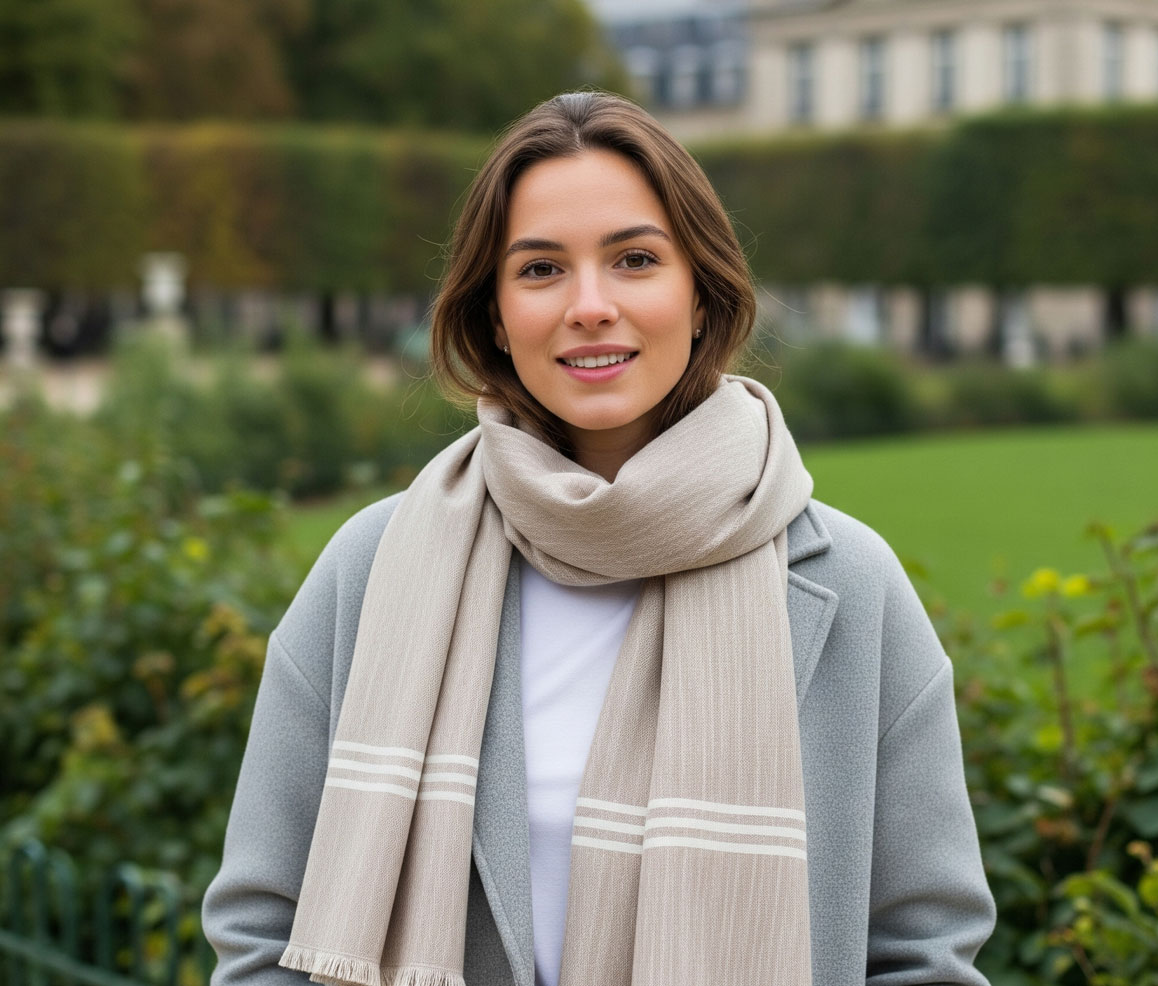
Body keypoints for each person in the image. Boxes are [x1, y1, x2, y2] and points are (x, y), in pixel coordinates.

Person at [202, 91, 995, 986]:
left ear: (700, 293)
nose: (590, 305)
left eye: (634, 260)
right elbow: (261, 929)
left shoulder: (852, 584)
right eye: (540, 270)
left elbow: (925, 953)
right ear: (495, 315)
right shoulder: (372, 567)